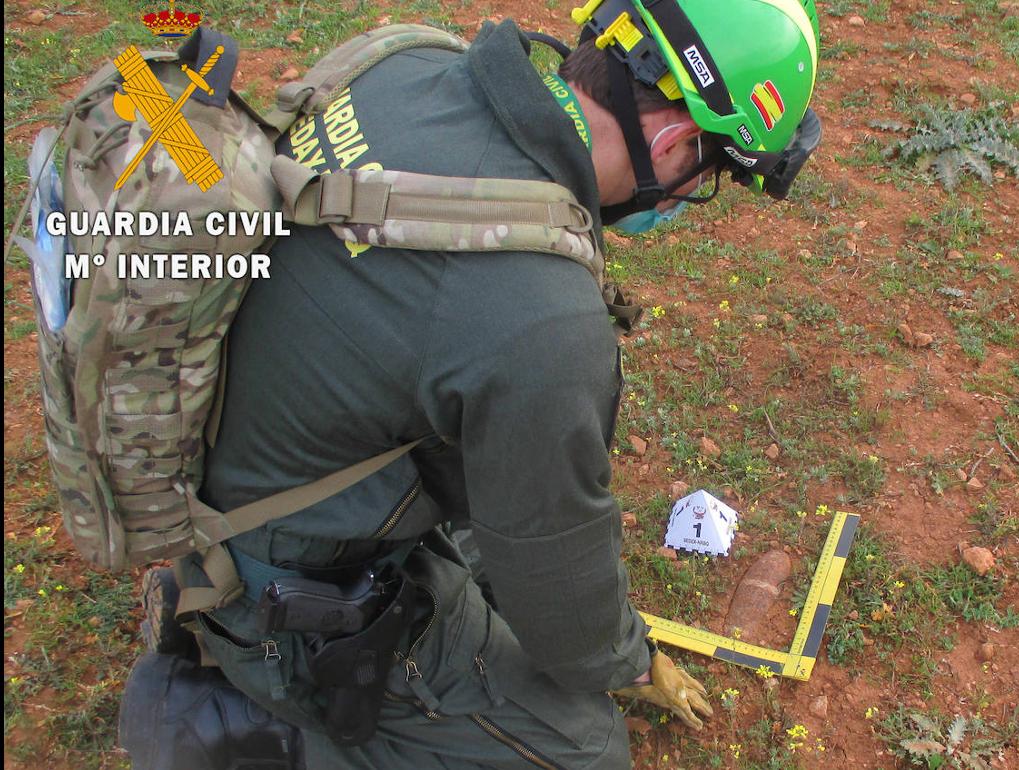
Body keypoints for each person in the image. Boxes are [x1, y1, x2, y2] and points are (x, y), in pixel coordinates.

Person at [119, 1, 822, 767]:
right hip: (281, 574)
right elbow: (557, 566)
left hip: (237, 439)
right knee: (582, 750)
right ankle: (219, 720)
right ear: (676, 141)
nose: (693, 199)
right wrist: (630, 660)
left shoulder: (410, 62)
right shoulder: (537, 318)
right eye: (712, 176)